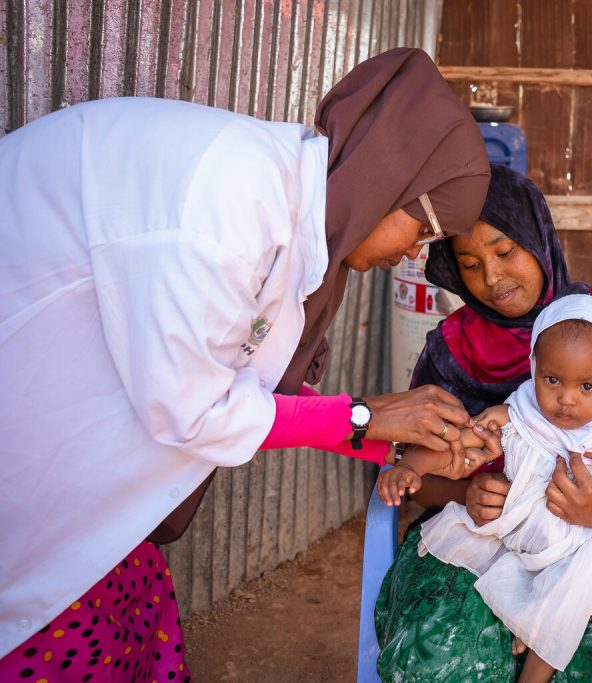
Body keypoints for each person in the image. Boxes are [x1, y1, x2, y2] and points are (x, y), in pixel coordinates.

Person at [0, 47, 494, 680]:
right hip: (36, 422)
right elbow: (200, 411)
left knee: (124, 598)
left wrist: (388, 442)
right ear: (388, 183)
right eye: (420, 234)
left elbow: (242, 396)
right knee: (63, 627)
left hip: (80, 437)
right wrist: (369, 418)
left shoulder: (291, 210)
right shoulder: (232, 207)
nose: (408, 257)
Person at [373, 164, 592, 681]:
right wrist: (464, 494)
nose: (493, 277)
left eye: (505, 251)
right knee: (438, 656)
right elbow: (417, 477)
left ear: (538, 239)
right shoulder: (452, 350)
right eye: (470, 263)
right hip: (478, 532)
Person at [379, 295, 592, 682]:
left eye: (587, 386)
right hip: (515, 534)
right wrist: (412, 466)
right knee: (486, 570)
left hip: (579, 548)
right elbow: (462, 445)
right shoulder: (518, 415)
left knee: (566, 601)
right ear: (534, 367)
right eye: (552, 380)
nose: (566, 398)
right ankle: (521, 621)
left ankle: (533, 673)